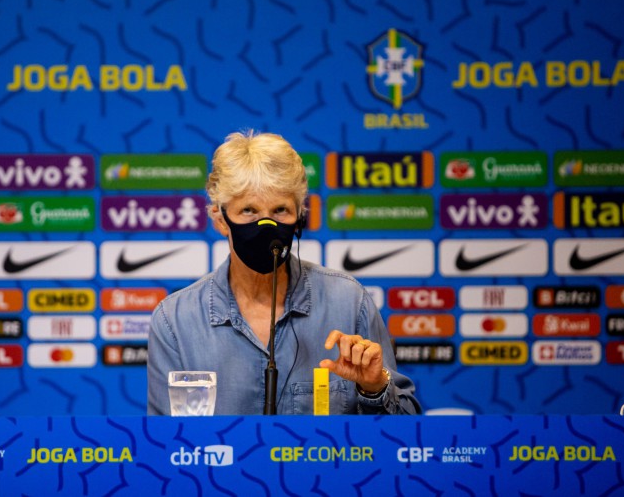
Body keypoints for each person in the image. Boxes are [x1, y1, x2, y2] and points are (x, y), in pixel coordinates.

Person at [147, 130, 421, 415]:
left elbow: (406, 434)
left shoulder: (349, 302)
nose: (265, 225)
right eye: (249, 211)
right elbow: (164, 445)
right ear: (220, 218)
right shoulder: (176, 320)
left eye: (280, 210)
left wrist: (374, 387)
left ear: (299, 218)